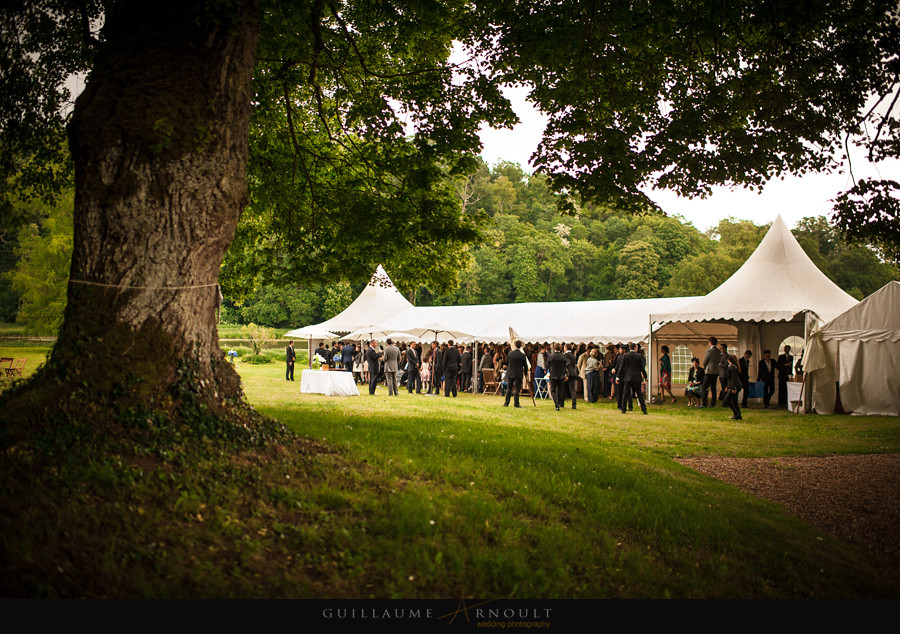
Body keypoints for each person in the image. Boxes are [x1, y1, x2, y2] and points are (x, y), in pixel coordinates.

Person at [620, 343, 648, 414]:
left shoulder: (625, 356)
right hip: (636, 378)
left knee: (625, 394)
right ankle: (644, 409)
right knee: (639, 394)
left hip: (628, 377)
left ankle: (623, 409)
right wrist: (645, 377)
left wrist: (618, 376)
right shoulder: (639, 356)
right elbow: (642, 368)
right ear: (635, 348)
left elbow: (622, 367)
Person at [504, 340, 528, 408]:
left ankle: (506, 402)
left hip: (510, 372)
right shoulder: (522, 355)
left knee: (509, 388)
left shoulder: (510, 354)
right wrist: (525, 373)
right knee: (517, 388)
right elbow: (525, 365)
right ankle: (516, 403)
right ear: (521, 346)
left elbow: (507, 363)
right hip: (518, 373)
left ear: (514, 345)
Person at [546, 343, 568, 411]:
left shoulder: (550, 356)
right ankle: (560, 403)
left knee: (553, 390)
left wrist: (550, 372)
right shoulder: (563, 356)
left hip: (553, 375)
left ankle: (556, 405)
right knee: (560, 390)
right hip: (561, 375)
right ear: (561, 348)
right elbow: (565, 366)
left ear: (554, 348)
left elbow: (548, 366)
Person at [701, 336, 721, 407]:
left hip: (709, 371)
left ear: (710, 342)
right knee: (713, 387)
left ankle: (704, 402)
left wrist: (704, 366)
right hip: (716, 371)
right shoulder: (718, 351)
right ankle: (713, 402)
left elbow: (705, 361)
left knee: (704, 387)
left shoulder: (709, 351)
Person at [722, 354, 743, 420]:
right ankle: (738, 414)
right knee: (734, 401)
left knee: (727, 400)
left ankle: (736, 413)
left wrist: (733, 388)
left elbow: (734, 379)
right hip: (732, 386)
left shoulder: (732, 367)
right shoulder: (733, 367)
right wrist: (728, 387)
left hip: (734, 386)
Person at [717, 342, 730, 407]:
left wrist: (720, 364)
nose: (720, 349)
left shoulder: (727, 356)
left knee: (725, 388)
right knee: (723, 388)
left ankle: (726, 402)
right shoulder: (720, 355)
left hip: (724, 374)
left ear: (725, 349)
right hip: (721, 374)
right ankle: (724, 400)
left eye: (721, 348)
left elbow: (727, 365)